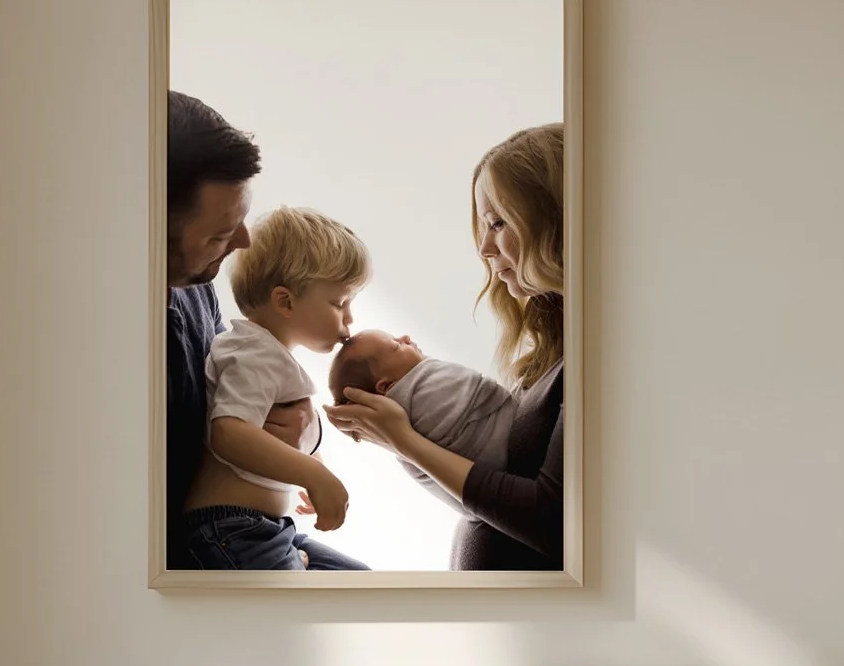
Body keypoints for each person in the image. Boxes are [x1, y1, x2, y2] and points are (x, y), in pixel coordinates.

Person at [325, 124, 565, 571]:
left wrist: (402, 440)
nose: (484, 247)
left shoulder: (598, 360)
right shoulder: (556, 354)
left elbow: (551, 521)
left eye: (499, 222)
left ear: (552, 222)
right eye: (482, 225)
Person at [165, 91, 315, 569]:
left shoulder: (194, 288)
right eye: (219, 234)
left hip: (261, 526)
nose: (245, 241)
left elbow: (229, 403)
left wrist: (291, 429)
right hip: (206, 547)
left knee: (375, 597)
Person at [182, 207, 372, 570]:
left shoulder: (268, 353)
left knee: (360, 583)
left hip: (260, 528)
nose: (349, 318)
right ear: (285, 301)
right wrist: (313, 474)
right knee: (317, 607)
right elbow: (229, 433)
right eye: (339, 303)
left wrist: (309, 464)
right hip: (233, 529)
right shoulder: (253, 353)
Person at [327, 329, 516, 518]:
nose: (406, 338)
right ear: (385, 386)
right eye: (396, 345)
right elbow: (478, 386)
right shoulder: (419, 394)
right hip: (505, 470)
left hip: (490, 493)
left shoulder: (394, 432)